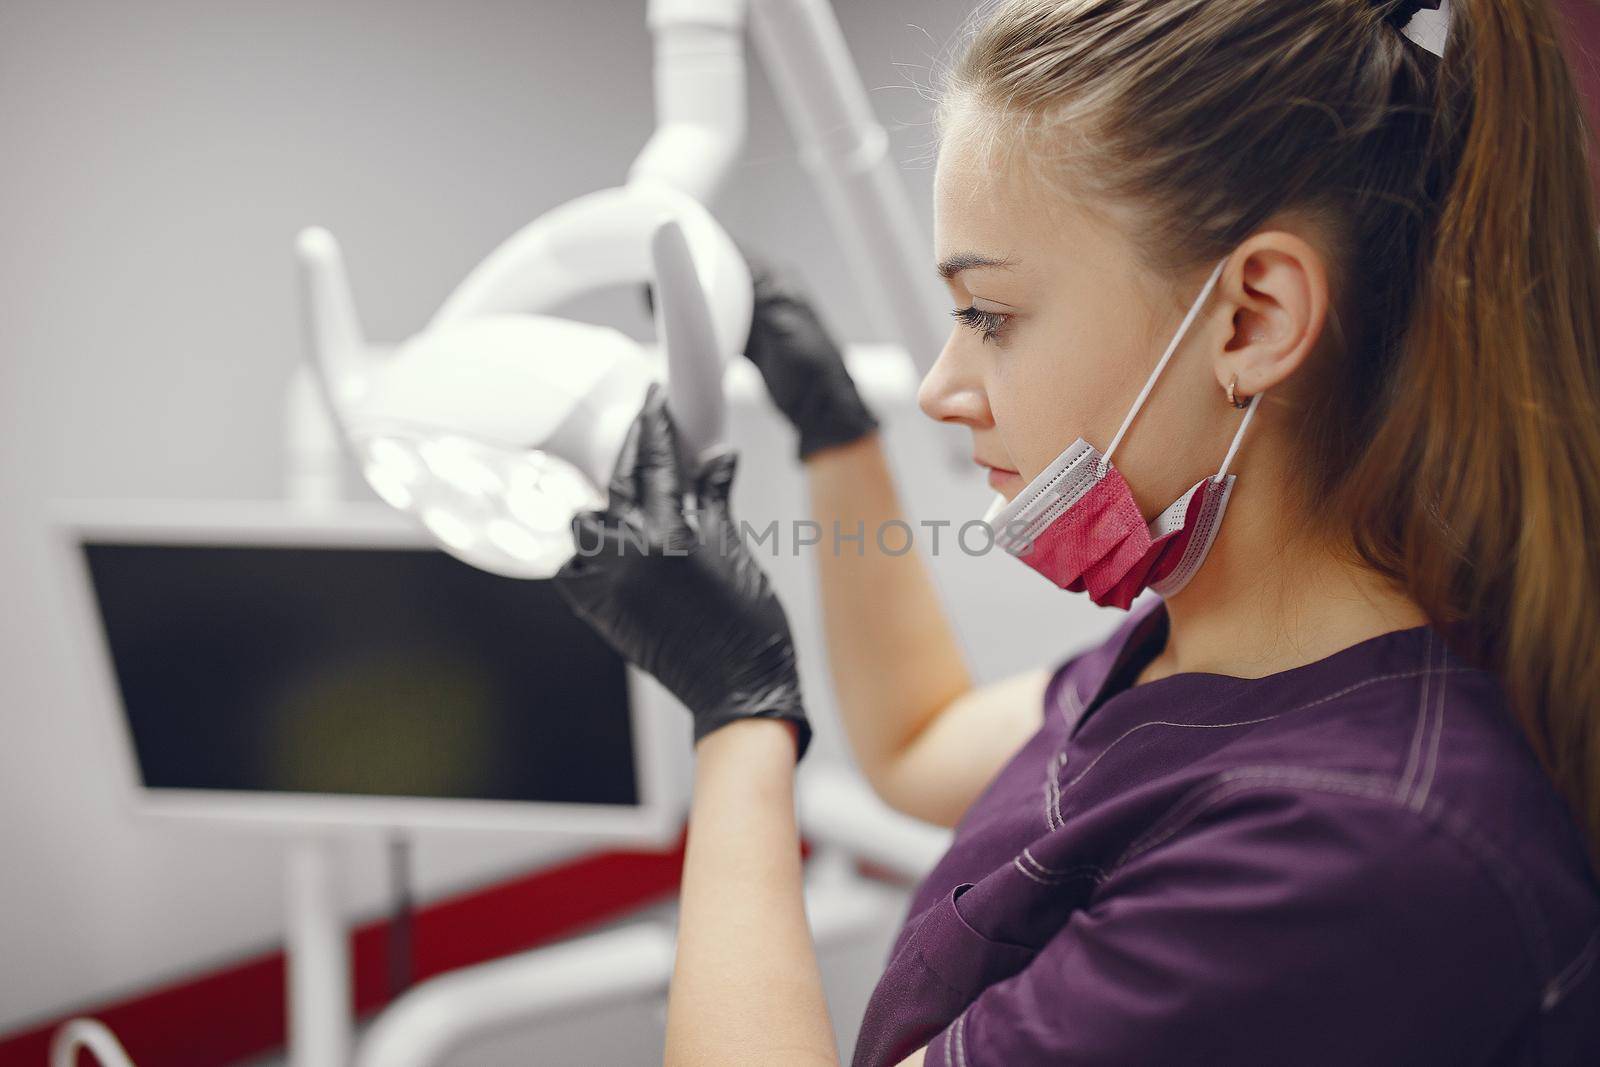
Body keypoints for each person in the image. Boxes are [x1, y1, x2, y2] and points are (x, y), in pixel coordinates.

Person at [552, 0, 1600, 1063]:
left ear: (1252, 319)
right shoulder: (1205, 649)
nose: (938, 385)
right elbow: (917, 741)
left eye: (989, 316)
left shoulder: (1351, 844)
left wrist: (736, 716)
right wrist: (833, 429)